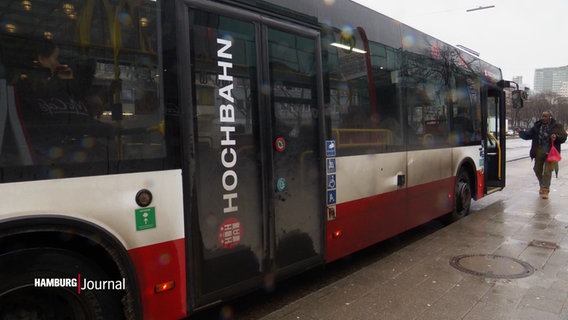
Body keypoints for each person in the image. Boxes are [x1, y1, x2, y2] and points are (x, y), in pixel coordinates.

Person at [519, 110, 567, 199]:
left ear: (550, 117)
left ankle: (545, 190)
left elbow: (563, 138)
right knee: (537, 169)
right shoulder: (537, 126)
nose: (543, 118)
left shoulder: (557, 126)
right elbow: (528, 135)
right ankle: (542, 184)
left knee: (548, 171)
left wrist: (556, 137)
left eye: (545, 116)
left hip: (551, 151)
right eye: (542, 116)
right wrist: (521, 132)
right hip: (539, 150)